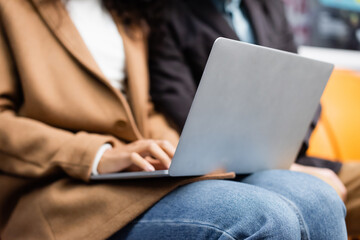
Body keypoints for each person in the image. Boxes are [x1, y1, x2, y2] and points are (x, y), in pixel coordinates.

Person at [0, 0, 347, 239]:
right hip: (62, 195)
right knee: (264, 218)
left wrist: (183, 154)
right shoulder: (12, 10)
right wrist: (98, 154)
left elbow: (146, 110)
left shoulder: (127, 12)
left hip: (140, 179)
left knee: (319, 199)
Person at [148, 0, 360, 234]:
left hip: (294, 158)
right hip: (231, 173)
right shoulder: (168, 15)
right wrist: (287, 167)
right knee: (312, 202)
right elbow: (190, 120)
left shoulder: (269, 6)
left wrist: (287, 157)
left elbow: (304, 87)